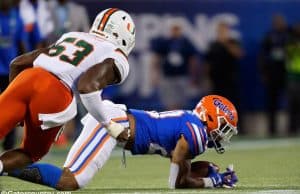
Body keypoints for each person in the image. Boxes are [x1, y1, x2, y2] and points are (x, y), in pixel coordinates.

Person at [0, 8, 136, 175]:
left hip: (26, 79)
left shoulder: (72, 36)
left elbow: (17, 64)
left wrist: (14, 100)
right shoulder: (115, 55)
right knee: (31, 152)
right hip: (55, 92)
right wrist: (110, 125)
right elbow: (87, 87)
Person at [5, 95, 238, 190]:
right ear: (211, 118)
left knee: (71, 178)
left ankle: (4, 167)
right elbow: (175, 181)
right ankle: (3, 166)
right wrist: (210, 181)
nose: (224, 135)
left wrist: (209, 179)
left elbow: (182, 177)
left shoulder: (192, 126)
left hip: (115, 122)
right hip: (114, 124)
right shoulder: (196, 133)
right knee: (72, 180)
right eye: (224, 128)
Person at [205, 21, 243, 133]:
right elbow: (208, 63)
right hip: (216, 81)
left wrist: (226, 43)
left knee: (233, 105)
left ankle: (236, 128)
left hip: (230, 80)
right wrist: (207, 78)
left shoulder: (232, 42)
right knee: (216, 107)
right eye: (220, 31)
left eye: (224, 31)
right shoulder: (213, 45)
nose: (222, 33)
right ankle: (217, 129)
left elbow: (239, 54)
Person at [150, 22, 199, 110]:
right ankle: (172, 121)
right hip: (168, 77)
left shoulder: (186, 43)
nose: (175, 31)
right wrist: (155, 75)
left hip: (182, 76)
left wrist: (193, 76)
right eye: (174, 28)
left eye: (177, 29)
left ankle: (179, 122)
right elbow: (156, 59)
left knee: (182, 103)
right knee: (169, 103)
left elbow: (193, 60)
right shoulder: (165, 42)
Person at [0, 0, 27, 150]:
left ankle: (9, 143)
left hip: (10, 69)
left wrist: (27, 64)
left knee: (10, 106)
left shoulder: (16, 17)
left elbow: (21, 42)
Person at [259, 14, 289, 136]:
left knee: (291, 104)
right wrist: (264, 73)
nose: (279, 24)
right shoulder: (269, 37)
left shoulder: (289, 36)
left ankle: (291, 129)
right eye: (276, 22)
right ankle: (272, 129)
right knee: (271, 104)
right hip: (272, 75)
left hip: (286, 75)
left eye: (280, 21)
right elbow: (262, 56)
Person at [286, 22, 300, 135]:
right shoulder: (290, 41)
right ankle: (292, 129)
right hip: (293, 76)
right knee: (293, 103)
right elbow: (288, 54)